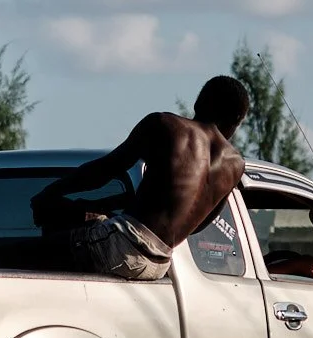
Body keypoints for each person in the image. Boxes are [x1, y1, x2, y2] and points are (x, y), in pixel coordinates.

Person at [31, 75, 251, 280]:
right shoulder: (235, 165)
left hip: (121, 247)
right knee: (75, 218)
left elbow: (104, 170)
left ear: (198, 103)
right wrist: (100, 208)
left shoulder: (167, 126)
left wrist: (50, 192)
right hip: (158, 263)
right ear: (237, 121)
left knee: (14, 256)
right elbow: (199, 222)